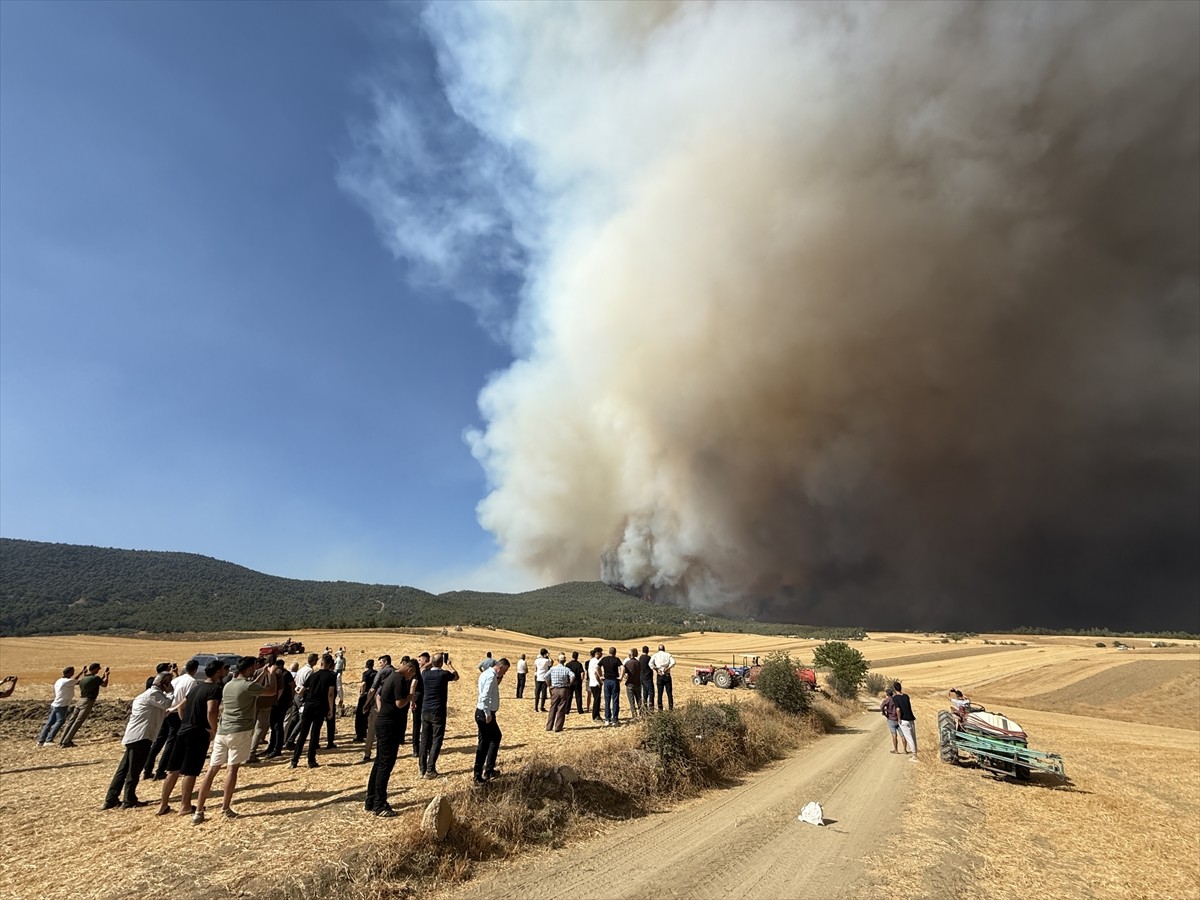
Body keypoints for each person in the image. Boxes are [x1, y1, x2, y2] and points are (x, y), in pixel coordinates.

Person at [193, 656, 273, 823]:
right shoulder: (248, 686)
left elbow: (250, 686)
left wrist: (261, 674)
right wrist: (270, 674)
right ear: (250, 669)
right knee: (232, 769)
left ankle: (199, 810)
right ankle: (225, 807)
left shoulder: (228, 685)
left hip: (223, 730)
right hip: (240, 731)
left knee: (212, 770)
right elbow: (271, 690)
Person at [157, 659, 225, 816]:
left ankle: (163, 805)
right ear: (218, 672)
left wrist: (185, 721)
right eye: (223, 670)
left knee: (173, 769)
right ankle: (185, 805)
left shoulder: (197, 687)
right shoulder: (214, 689)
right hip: (198, 732)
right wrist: (213, 729)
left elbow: (181, 706)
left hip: (184, 729)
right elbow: (211, 710)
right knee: (190, 771)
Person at [103, 672, 179, 809]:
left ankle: (111, 798)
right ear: (164, 683)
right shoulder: (153, 695)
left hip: (134, 736)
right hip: (141, 737)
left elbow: (160, 711)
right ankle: (129, 799)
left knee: (124, 768)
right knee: (134, 769)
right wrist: (171, 692)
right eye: (169, 682)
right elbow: (167, 703)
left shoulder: (148, 695)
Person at [365, 659, 416, 816]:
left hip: (383, 722)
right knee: (385, 764)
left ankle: (371, 800)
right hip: (389, 726)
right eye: (412, 674)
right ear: (409, 669)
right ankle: (380, 804)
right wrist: (411, 696)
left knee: (379, 762)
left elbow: (378, 696)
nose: (410, 677)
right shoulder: (400, 679)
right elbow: (400, 703)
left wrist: (382, 711)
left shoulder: (390, 677)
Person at [145, 659, 197, 779]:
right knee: (171, 743)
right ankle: (160, 770)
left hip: (166, 710)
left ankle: (147, 769)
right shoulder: (192, 681)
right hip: (175, 713)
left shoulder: (177, 679)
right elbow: (187, 700)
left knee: (159, 742)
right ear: (195, 669)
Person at [291, 653, 335, 769]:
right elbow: (330, 694)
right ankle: (311, 760)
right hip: (321, 707)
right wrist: (331, 709)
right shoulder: (331, 676)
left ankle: (294, 760)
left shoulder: (313, 675)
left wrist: (303, 698)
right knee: (314, 734)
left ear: (321, 663)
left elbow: (301, 691)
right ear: (330, 664)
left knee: (303, 734)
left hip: (309, 705)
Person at [419, 652, 458, 779]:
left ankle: (422, 768)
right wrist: (450, 665)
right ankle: (430, 769)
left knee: (424, 740)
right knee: (437, 739)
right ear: (441, 663)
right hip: (438, 711)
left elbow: (422, 668)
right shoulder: (443, 674)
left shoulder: (425, 674)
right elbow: (456, 677)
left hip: (425, 710)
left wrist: (432, 661)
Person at [474, 657, 510, 784]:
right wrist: (488, 713)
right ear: (500, 667)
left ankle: (487, 770)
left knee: (491, 739)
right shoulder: (490, 676)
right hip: (485, 714)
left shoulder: (486, 673)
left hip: (483, 712)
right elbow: (485, 696)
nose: (503, 674)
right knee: (487, 743)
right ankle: (481, 774)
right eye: (504, 671)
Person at [59, 663, 109, 747]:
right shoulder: (95, 678)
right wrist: (107, 676)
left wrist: (84, 673)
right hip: (88, 701)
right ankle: (66, 741)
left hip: (80, 701)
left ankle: (62, 740)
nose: (98, 670)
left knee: (71, 721)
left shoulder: (84, 678)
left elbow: (94, 681)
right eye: (98, 669)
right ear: (95, 669)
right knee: (78, 722)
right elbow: (104, 684)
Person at [37, 665, 83, 746]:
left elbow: (74, 680)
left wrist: (81, 672)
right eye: (72, 672)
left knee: (50, 722)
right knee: (60, 721)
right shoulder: (67, 682)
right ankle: (49, 740)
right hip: (62, 705)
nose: (73, 673)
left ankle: (41, 740)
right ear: (69, 673)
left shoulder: (60, 680)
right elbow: (80, 682)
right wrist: (85, 674)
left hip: (55, 704)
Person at [362, 654, 394, 762]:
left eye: (380, 662)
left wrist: (366, 704)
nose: (379, 665)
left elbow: (373, 689)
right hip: (391, 704)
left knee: (371, 729)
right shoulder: (395, 672)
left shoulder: (381, 672)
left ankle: (367, 753)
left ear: (385, 662)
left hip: (378, 703)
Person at [284, 653, 318, 747]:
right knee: (303, 718)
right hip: (302, 696)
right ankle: (290, 740)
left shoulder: (302, 669)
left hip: (296, 694)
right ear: (314, 661)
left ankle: (286, 738)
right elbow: (307, 685)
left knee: (294, 718)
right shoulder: (310, 671)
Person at [248, 656, 279, 762]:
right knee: (260, 728)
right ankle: (251, 752)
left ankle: (247, 750)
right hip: (266, 703)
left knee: (251, 727)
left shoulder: (257, 671)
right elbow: (276, 689)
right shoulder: (275, 673)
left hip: (255, 702)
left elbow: (252, 684)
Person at [265, 658, 294, 758]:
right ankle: (271, 747)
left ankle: (277, 749)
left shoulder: (285, 674)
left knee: (278, 725)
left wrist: (291, 698)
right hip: (275, 702)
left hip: (282, 702)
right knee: (273, 726)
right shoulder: (276, 674)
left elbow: (292, 686)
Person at [545, 653, 575, 732]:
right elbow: (573, 676)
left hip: (554, 689)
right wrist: (569, 683)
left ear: (558, 661)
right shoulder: (566, 669)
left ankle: (549, 726)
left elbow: (545, 677)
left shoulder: (552, 669)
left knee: (553, 708)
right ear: (564, 661)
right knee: (561, 709)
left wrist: (549, 685)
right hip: (563, 689)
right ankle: (558, 727)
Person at [409, 652, 430, 759]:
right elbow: (412, 687)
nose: (419, 662)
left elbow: (412, 686)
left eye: (420, 660)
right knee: (419, 725)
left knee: (419, 725)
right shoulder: (421, 672)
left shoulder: (422, 671)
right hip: (419, 700)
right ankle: (418, 748)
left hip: (420, 699)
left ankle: (418, 749)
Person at [599, 647, 623, 726]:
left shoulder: (604, 659)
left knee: (607, 700)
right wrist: (621, 677)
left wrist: (600, 676)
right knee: (615, 700)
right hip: (614, 681)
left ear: (608, 652)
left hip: (606, 681)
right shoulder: (616, 659)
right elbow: (622, 668)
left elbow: (597, 667)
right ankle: (615, 719)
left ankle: (607, 719)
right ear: (615, 652)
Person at [892, 681, 917, 758]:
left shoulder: (895, 698)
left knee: (909, 738)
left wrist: (899, 719)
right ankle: (915, 751)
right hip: (911, 718)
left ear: (894, 689)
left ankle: (914, 755)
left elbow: (898, 709)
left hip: (904, 719)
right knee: (913, 737)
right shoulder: (906, 696)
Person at [354, 659, 376, 742]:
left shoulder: (366, 674)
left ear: (366, 665)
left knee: (360, 715)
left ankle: (360, 734)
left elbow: (363, 684)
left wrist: (362, 693)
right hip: (373, 695)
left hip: (366, 695)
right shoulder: (376, 673)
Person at [650, 643, 676, 710]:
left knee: (660, 693)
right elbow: (673, 662)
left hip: (660, 675)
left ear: (658, 649)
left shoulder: (655, 655)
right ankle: (670, 708)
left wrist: (656, 669)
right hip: (667, 674)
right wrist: (668, 668)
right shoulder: (668, 655)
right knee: (669, 693)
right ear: (664, 649)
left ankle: (660, 708)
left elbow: (650, 663)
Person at [623, 649, 643, 720]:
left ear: (629, 655)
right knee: (639, 700)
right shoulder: (638, 663)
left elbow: (624, 671)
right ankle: (642, 714)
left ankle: (634, 716)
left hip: (630, 684)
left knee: (632, 702)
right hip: (638, 683)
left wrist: (624, 676)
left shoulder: (627, 663)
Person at [880, 688, 901, 753]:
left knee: (894, 735)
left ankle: (896, 750)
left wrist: (884, 713)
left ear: (887, 694)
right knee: (903, 735)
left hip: (891, 718)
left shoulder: (887, 700)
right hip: (898, 718)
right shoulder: (896, 699)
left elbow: (881, 707)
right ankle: (905, 750)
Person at [586, 647, 603, 722]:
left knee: (596, 699)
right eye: (601, 652)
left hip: (591, 682)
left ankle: (596, 715)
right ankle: (595, 715)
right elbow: (596, 672)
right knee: (597, 700)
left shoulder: (591, 660)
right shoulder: (596, 661)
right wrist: (599, 681)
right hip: (596, 683)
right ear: (598, 653)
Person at [638, 646, 655, 712]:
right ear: (648, 651)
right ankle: (651, 708)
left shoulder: (640, 658)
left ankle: (644, 708)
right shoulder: (649, 658)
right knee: (651, 693)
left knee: (645, 693)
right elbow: (652, 666)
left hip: (641, 677)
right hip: (648, 677)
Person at [334, 648, 348, 717]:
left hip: (340, 669)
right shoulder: (338, 658)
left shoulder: (343, 659)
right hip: (337, 669)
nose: (341, 655)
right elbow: (335, 663)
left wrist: (344, 667)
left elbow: (345, 663)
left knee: (339, 678)